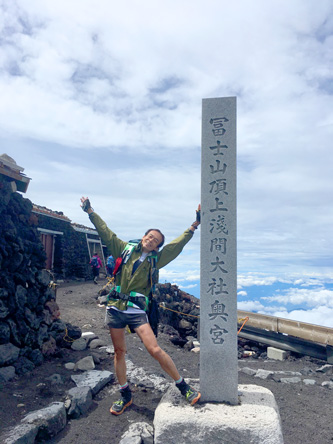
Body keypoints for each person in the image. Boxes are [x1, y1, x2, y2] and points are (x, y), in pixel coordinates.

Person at [80, 196, 201, 415]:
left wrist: (194, 226)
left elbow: (176, 245)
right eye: (150, 236)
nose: (151, 240)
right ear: (144, 236)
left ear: (157, 247)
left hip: (136, 310)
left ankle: (183, 386)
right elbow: (105, 231)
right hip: (115, 307)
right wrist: (91, 212)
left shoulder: (157, 260)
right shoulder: (124, 249)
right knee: (119, 352)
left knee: (154, 349)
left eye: (156, 240)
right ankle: (125, 394)